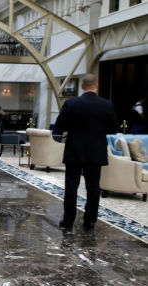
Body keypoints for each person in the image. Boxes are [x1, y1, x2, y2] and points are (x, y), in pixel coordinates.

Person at [55, 74, 118, 233]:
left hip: (75, 149)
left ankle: (68, 221)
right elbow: (113, 129)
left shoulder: (71, 103)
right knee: (93, 187)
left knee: (71, 186)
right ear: (96, 85)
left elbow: (60, 126)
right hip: (96, 151)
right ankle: (90, 220)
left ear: (82, 86)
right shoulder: (107, 105)